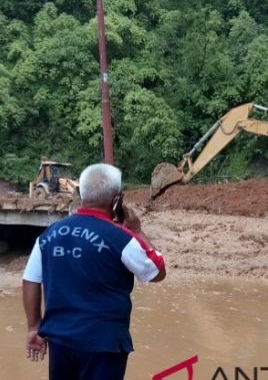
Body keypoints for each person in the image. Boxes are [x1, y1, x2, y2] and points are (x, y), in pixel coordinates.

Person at [23, 163, 166, 380]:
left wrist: (34, 327)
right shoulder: (122, 238)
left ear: (81, 194)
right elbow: (157, 272)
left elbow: (31, 280)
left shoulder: (48, 235)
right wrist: (137, 230)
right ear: (116, 200)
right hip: (105, 344)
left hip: (60, 340)